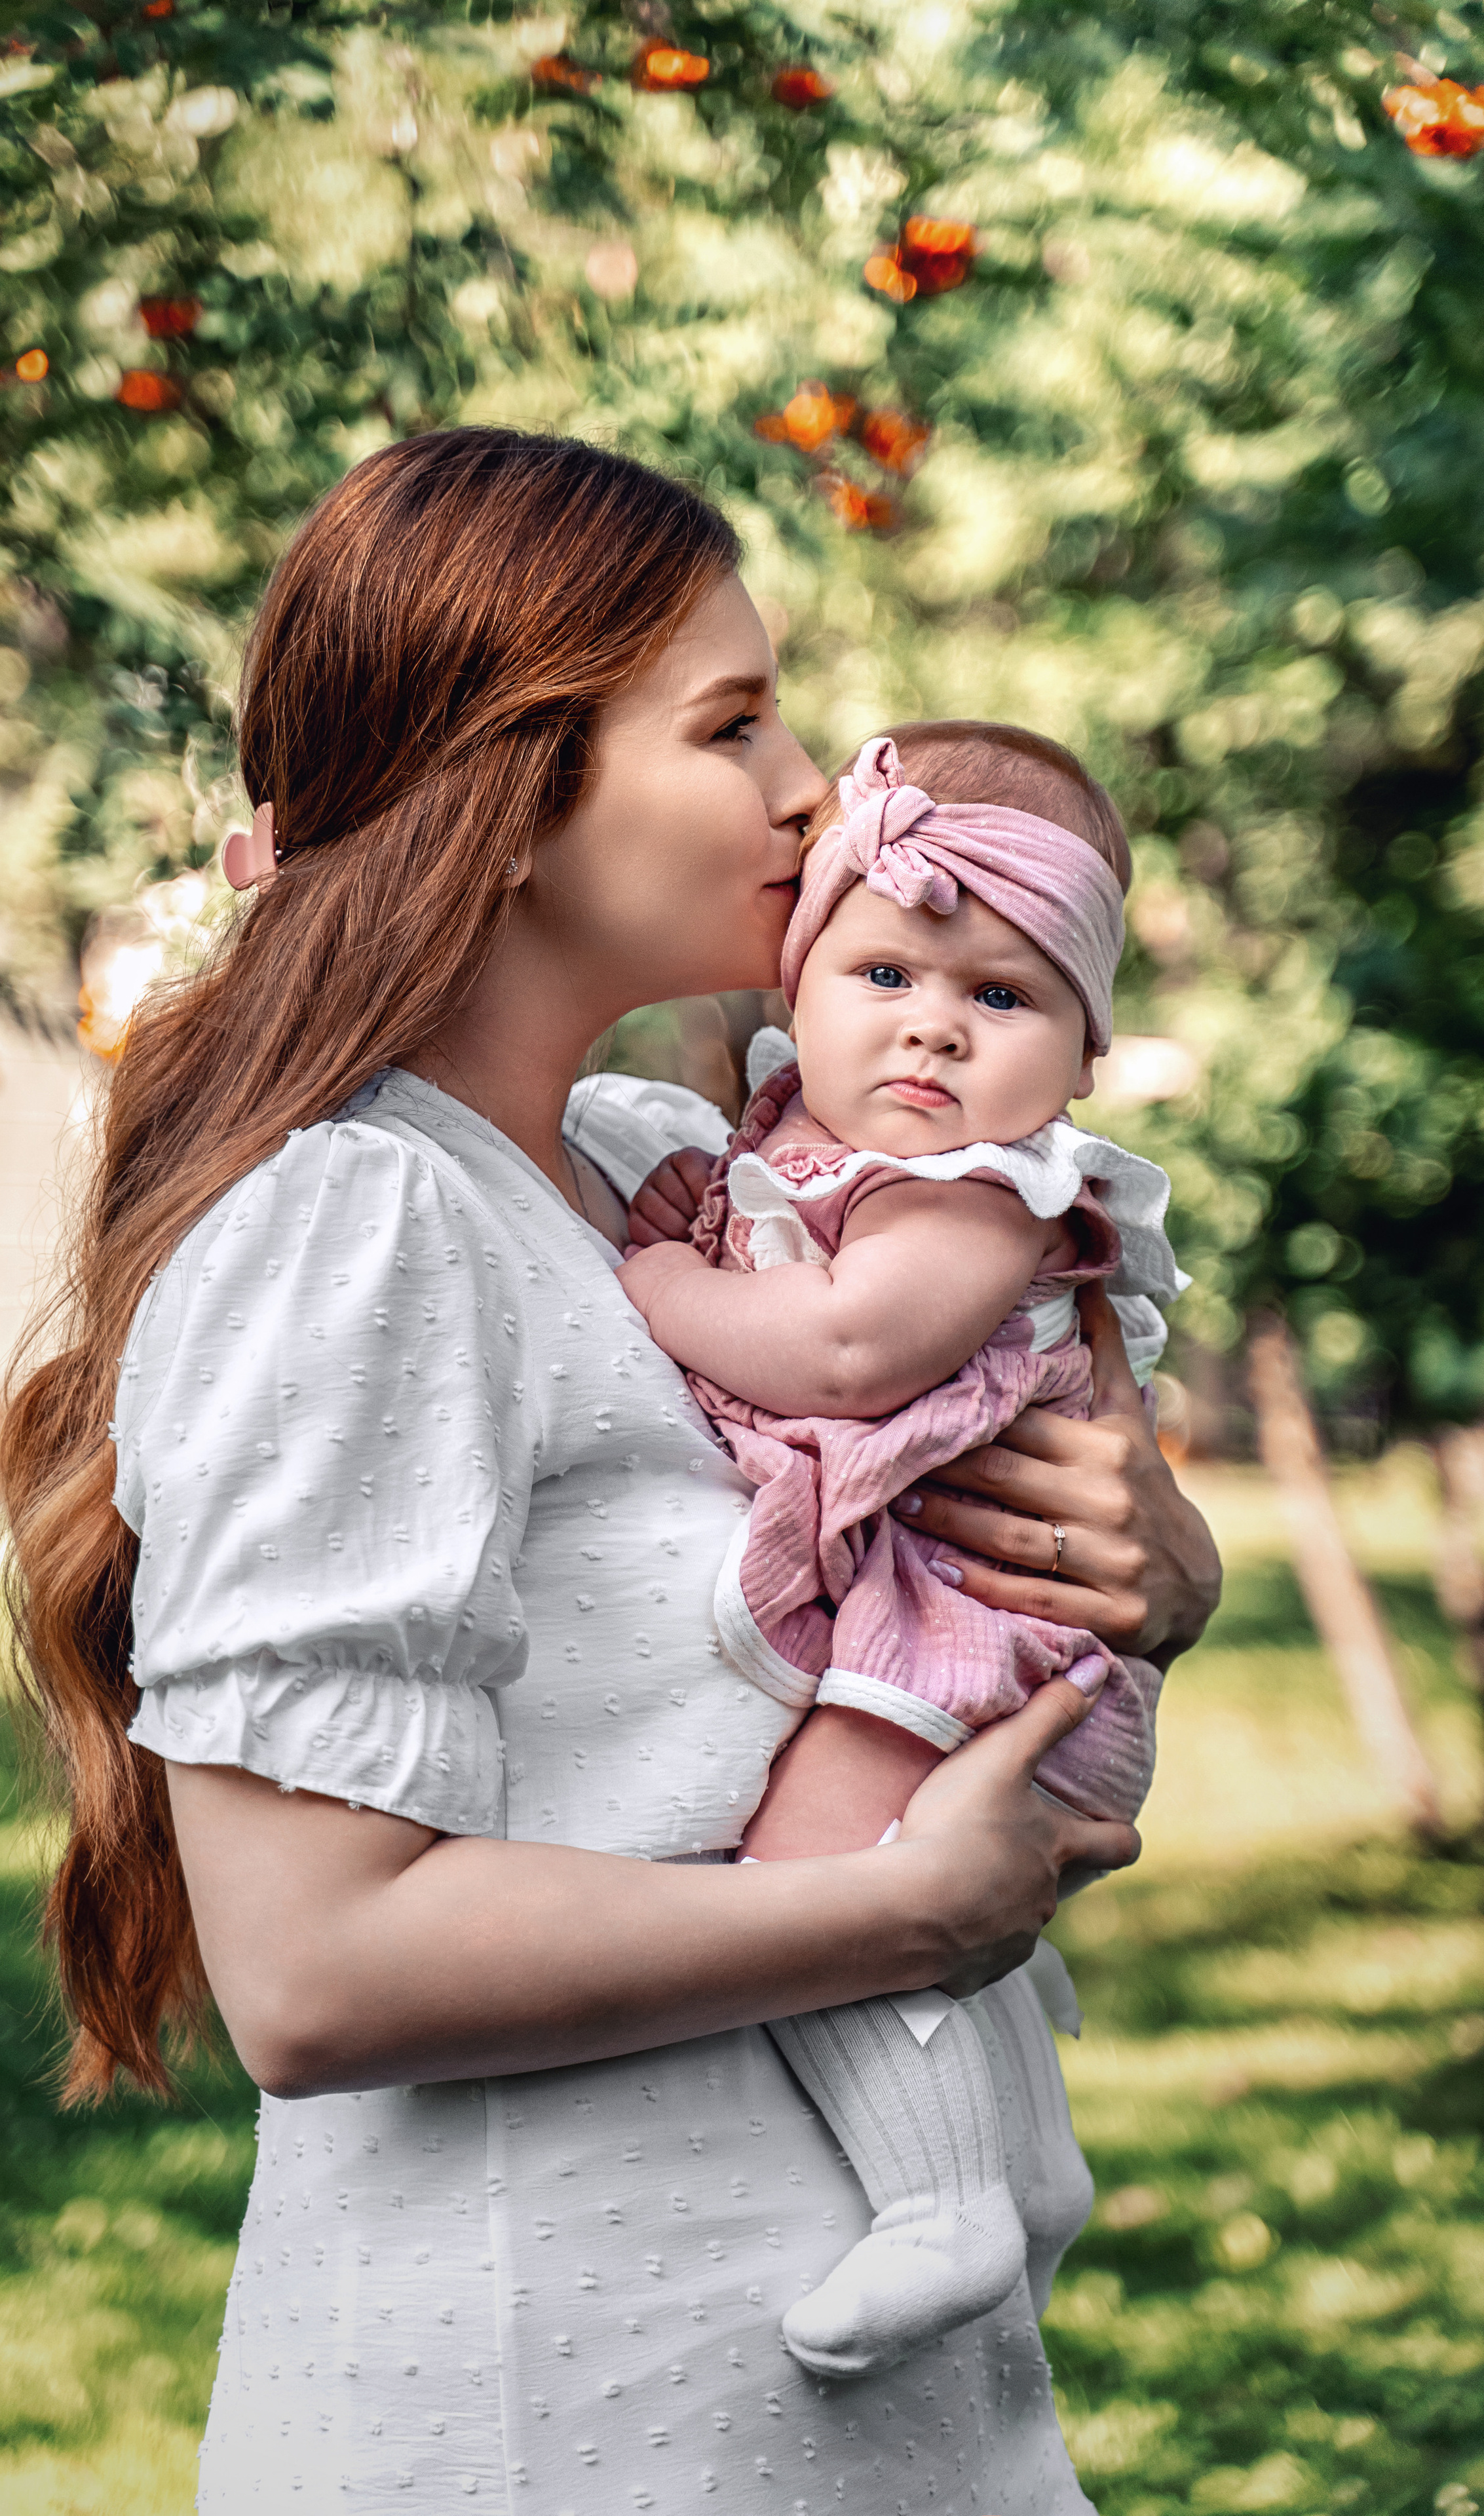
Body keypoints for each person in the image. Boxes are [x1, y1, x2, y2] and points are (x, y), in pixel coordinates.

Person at [0, 427, 1221, 2511]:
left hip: (841, 2392)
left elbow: (901, 1542)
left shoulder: (660, 1181)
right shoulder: (359, 1224)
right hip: (554, 2399)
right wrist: (900, 1915)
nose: (811, 790)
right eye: (732, 725)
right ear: (505, 801)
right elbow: (313, 1973)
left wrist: (1153, 1568)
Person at [615, 721, 1186, 2383]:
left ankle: (943, 2208)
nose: (932, 1024)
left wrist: (654, 1286)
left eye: (1000, 997)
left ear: (1080, 1059)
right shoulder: (797, 1144)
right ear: (796, 985)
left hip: (983, 1632)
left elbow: (851, 1354)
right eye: (882, 972)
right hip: (940, 1618)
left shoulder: (980, 1195)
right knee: (861, 1886)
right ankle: (1022, 2164)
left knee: (817, 1892)